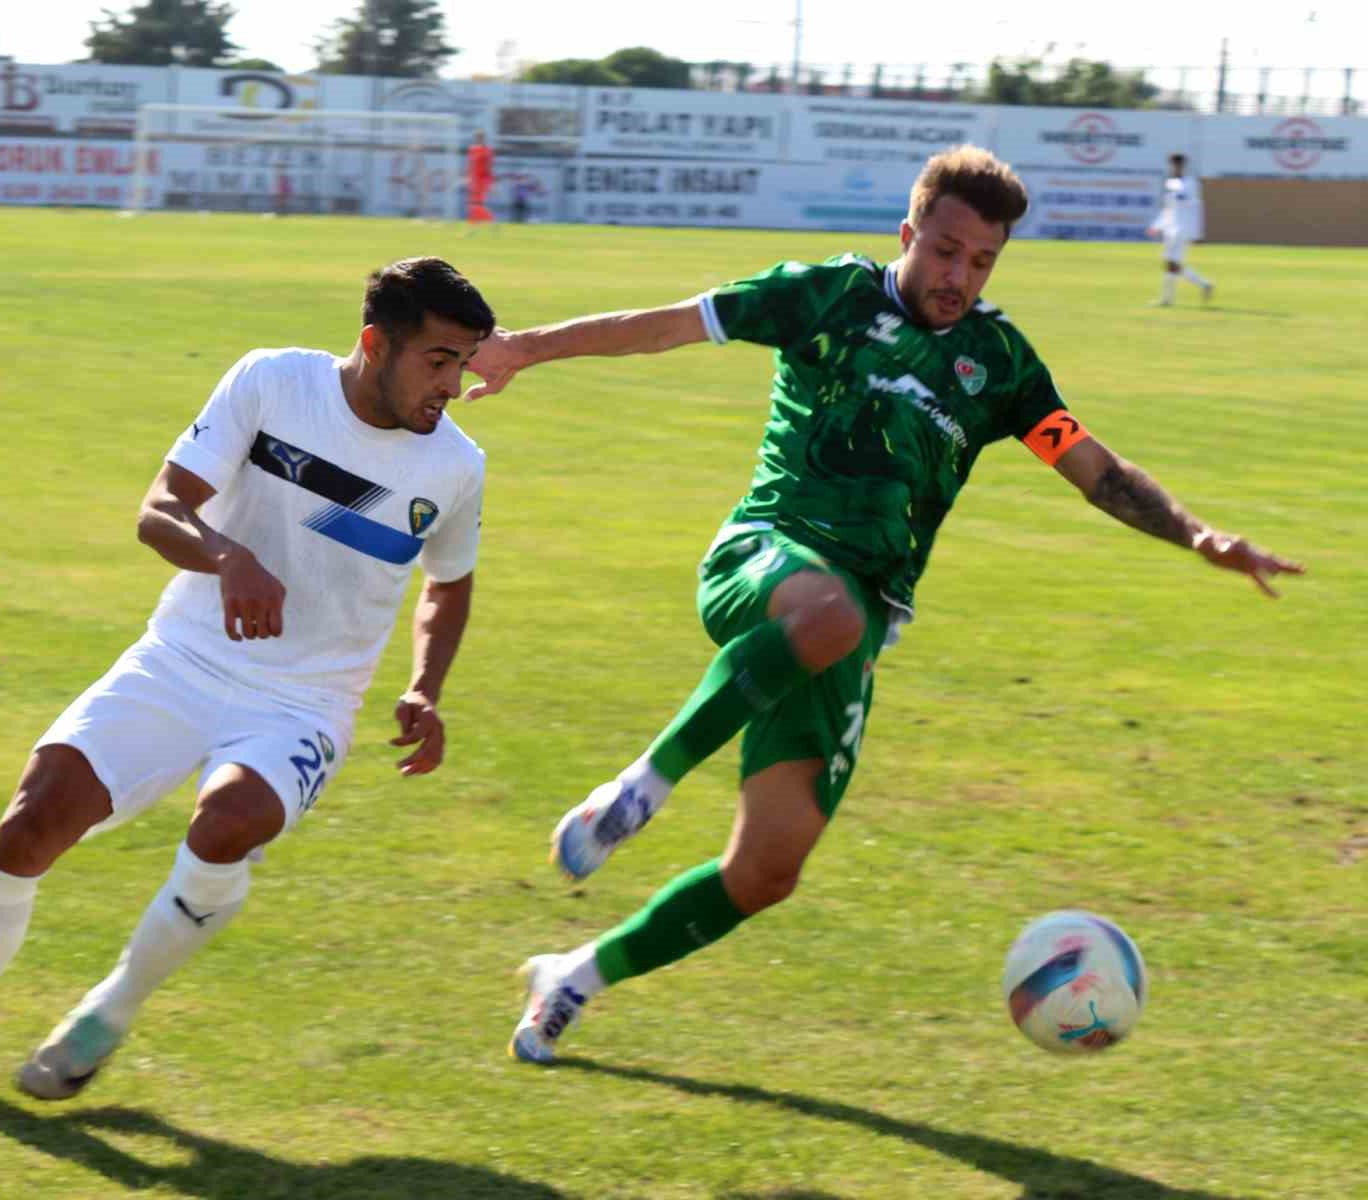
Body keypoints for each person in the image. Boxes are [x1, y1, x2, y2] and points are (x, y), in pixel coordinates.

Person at [461, 145, 1303, 1065]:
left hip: (856, 622)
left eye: (981, 261)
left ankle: (573, 978)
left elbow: (1093, 469)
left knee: (766, 871)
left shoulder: (1000, 363)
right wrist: (524, 349)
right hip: (767, 555)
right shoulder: (824, 296)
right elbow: (665, 326)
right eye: (945, 251)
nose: (959, 276)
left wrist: (1199, 536)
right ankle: (635, 792)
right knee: (828, 617)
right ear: (909, 234)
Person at [0, 257, 496, 1102]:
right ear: (376, 343)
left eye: (466, 361)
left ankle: (110, 1010)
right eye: (438, 359)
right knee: (32, 817)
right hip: (182, 657)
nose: (454, 384)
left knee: (226, 822)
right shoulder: (272, 383)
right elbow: (161, 507)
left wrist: (425, 685)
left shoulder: (456, 466)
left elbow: (449, 582)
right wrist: (229, 558)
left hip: (305, 700)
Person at [1146, 153, 1213, 306]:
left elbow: (1192, 203)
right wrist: (1157, 225)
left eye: (1176, 165)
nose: (1174, 167)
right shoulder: (1172, 182)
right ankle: (1204, 285)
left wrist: (1197, 233)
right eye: (1172, 165)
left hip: (1182, 228)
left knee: (1171, 262)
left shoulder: (1190, 182)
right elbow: (1169, 207)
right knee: (1172, 263)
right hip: (1171, 227)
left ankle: (1167, 299)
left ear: (1182, 165)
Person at [465, 132, 495, 226]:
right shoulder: (472, 150)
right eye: (477, 138)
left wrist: (490, 183)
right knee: (472, 205)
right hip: (473, 180)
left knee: (476, 204)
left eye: (480, 138)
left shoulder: (487, 151)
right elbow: (470, 165)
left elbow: (489, 167)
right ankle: (473, 227)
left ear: (483, 139)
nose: (478, 139)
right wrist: (468, 177)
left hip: (482, 181)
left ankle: (491, 220)